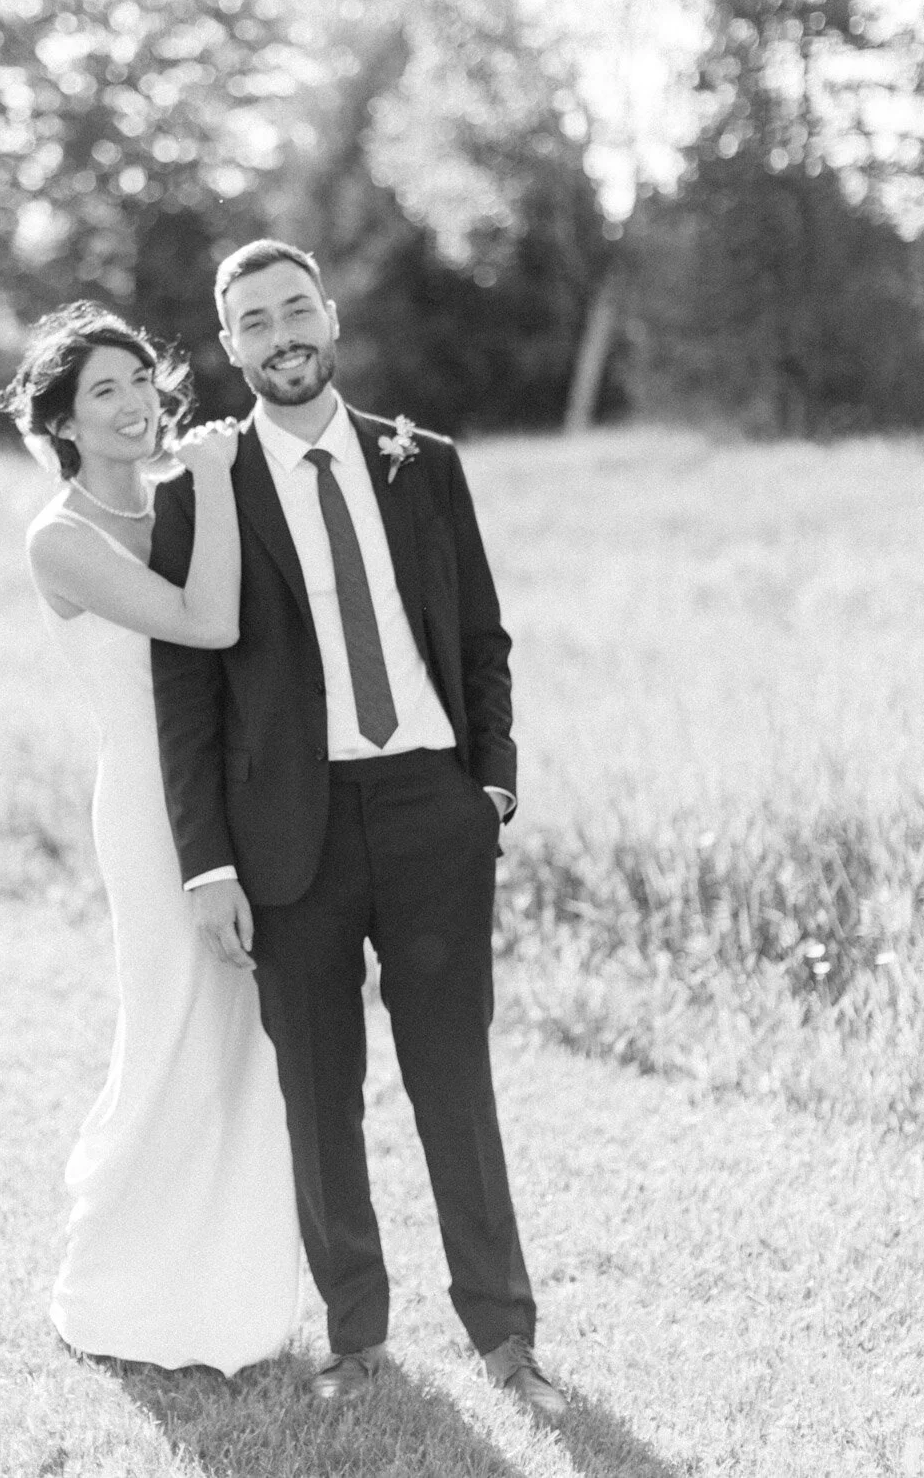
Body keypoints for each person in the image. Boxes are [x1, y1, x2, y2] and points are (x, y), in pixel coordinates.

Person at [149, 241, 566, 1420]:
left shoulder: (422, 461)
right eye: (252, 322)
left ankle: (505, 1330)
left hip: (432, 809)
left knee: (455, 1079)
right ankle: (357, 1332)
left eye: (296, 310)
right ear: (226, 346)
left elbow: (481, 634)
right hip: (289, 832)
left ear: (329, 317)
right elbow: (184, 691)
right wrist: (208, 859)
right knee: (319, 1090)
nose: (280, 335)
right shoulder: (199, 490)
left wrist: (489, 786)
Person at [0, 301, 301, 1374]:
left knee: (240, 1037)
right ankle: (124, 1284)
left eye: (140, 380)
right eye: (105, 392)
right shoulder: (62, 538)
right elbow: (206, 622)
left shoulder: (179, 498)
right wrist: (215, 483)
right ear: (66, 424)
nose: (135, 404)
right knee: (170, 1025)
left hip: (239, 802)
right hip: (147, 813)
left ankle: (232, 1280)